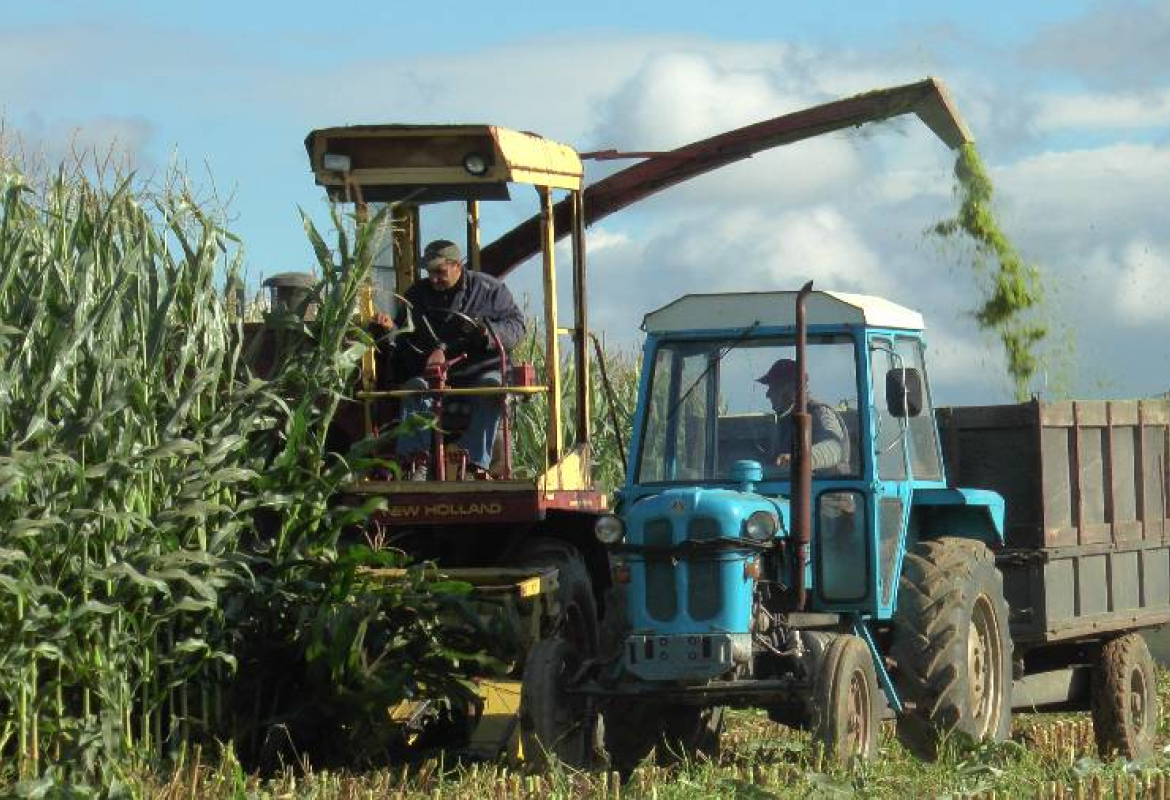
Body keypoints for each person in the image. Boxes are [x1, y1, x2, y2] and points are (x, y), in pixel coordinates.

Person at [392, 239, 525, 477]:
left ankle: (475, 466)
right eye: (430, 272)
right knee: (415, 389)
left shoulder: (490, 291)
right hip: (437, 376)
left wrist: (488, 333)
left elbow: (516, 326)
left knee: (491, 388)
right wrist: (387, 330)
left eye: (440, 272)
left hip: (482, 370)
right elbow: (402, 336)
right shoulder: (417, 295)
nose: (433, 279)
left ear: (458, 266)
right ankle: (415, 464)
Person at [756, 358, 850, 475]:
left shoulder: (820, 412)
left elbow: (835, 448)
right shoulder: (784, 422)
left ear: (791, 389)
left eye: (774, 387)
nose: (768, 394)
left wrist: (800, 459)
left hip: (824, 492)